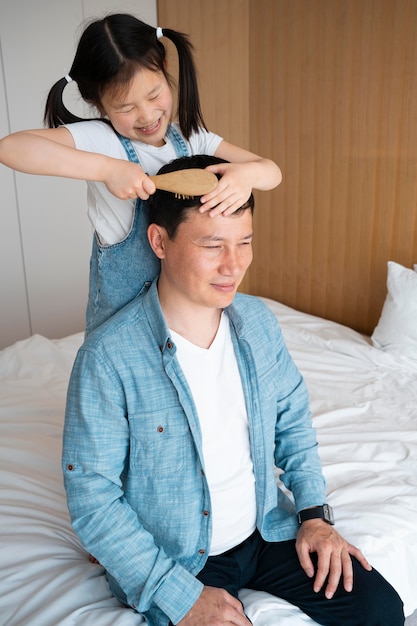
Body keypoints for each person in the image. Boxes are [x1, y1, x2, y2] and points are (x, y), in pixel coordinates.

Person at [62, 155, 404, 626]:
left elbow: (293, 421)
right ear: (159, 241)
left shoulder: (258, 322)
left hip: (267, 530)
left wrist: (314, 515)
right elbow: (92, 497)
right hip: (180, 557)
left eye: (245, 242)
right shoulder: (109, 356)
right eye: (212, 245)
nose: (234, 264)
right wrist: (177, 595)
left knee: (381, 610)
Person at [0, 13, 281, 335]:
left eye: (153, 95)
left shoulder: (192, 137)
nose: (147, 115)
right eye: (125, 107)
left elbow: (272, 172)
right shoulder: (102, 141)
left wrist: (246, 175)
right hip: (124, 317)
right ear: (98, 104)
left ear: (165, 70)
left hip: (185, 311)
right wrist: (105, 168)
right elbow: (11, 148)